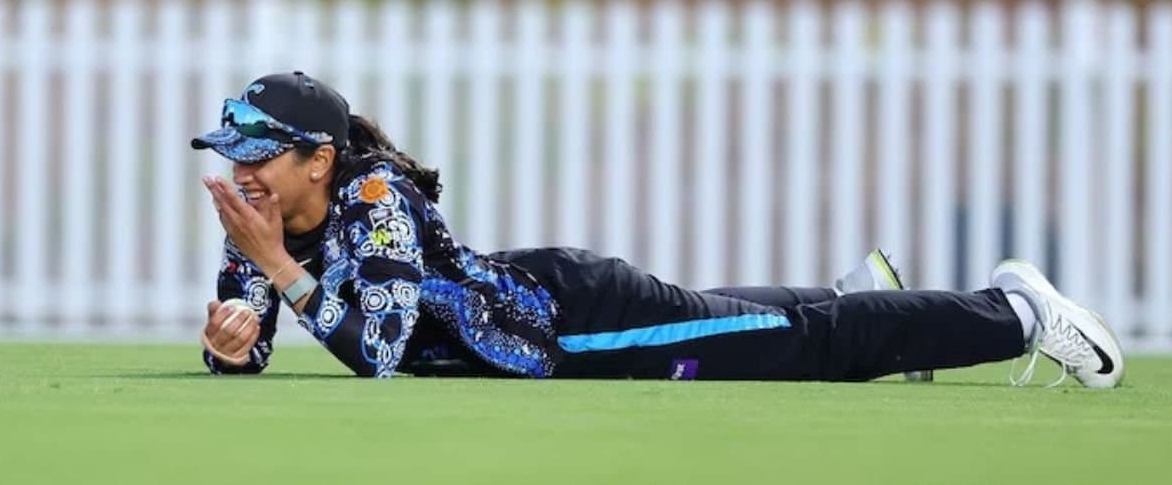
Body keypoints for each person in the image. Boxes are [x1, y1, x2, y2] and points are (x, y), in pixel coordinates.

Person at [193, 71, 1124, 388]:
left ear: (318, 158)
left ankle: (1016, 312)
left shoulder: (370, 201)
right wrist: (234, 343)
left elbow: (381, 353)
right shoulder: (271, 218)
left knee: (805, 351)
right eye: (235, 152)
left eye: (260, 153)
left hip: (577, 322)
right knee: (732, 318)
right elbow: (258, 334)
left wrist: (274, 267)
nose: (242, 171)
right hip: (547, 305)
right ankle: (862, 295)